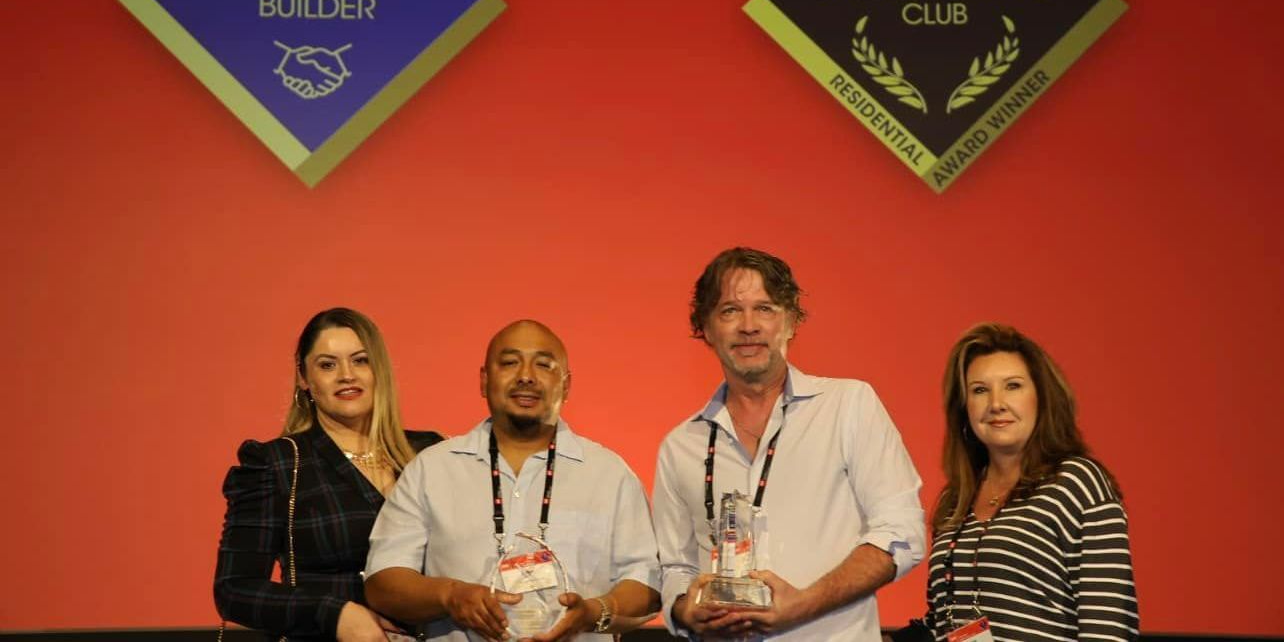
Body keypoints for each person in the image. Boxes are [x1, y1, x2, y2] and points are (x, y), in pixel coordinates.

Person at [653, 247, 925, 640]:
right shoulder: (681, 447)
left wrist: (804, 603)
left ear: (791, 321)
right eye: (730, 310)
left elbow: (902, 532)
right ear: (707, 328)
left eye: (765, 308)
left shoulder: (849, 406)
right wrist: (685, 609)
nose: (749, 326)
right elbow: (673, 568)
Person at [363, 319, 660, 641]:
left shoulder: (609, 474)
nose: (526, 376)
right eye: (510, 363)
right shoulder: (431, 469)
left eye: (544, 365)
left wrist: (594, 612)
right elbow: (383, 581)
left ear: (567, 384)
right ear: (483, 379)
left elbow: (647, 585)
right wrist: (450, 595)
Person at [214, 307, 443, 641]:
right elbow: (234, 590)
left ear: (379, 369)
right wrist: (334, 614)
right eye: (327, 365)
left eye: (360, 360)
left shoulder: (430, 453)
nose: (346, 375)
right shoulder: (277, 464)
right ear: (305, 378)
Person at [924, 323, 1138, 640]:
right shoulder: (954, 502)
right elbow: (945, 622)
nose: (996, 403)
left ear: (1041, 396)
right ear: (963, 408)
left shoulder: (1078, 483)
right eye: (980, 390)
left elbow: (1110, 625)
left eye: (1013, 386)